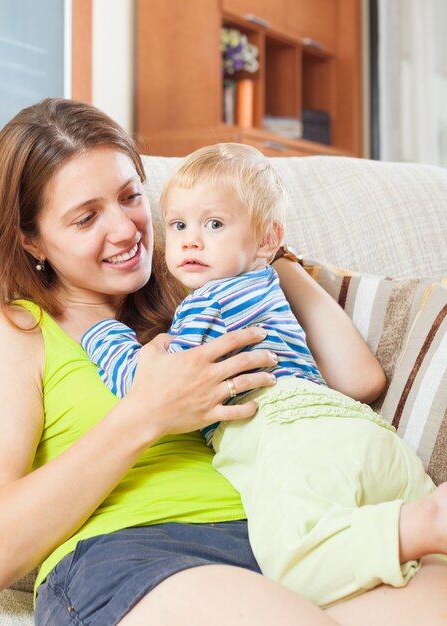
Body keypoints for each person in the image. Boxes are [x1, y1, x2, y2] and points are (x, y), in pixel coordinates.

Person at [0, 97, 447, 626]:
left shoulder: (199, 301)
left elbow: (359, 381)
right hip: (135, 555)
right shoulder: (17, 333)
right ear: (31, 240)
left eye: (130, 197)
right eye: (86, 217)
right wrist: (146, 414)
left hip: (287, 538)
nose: (125, 230)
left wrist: (271, 264)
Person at [79, 142, 447, 607]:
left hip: (283, 432)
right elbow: (355, 385)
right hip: (363, 431)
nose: (191, 240)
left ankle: (423, 522)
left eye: (214, 224)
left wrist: (101, 336)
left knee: (296, 565)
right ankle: (425, 518)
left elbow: (146, 386)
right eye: (178, 225)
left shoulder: (208, 302)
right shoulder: (266, 286)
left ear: (269, 240)